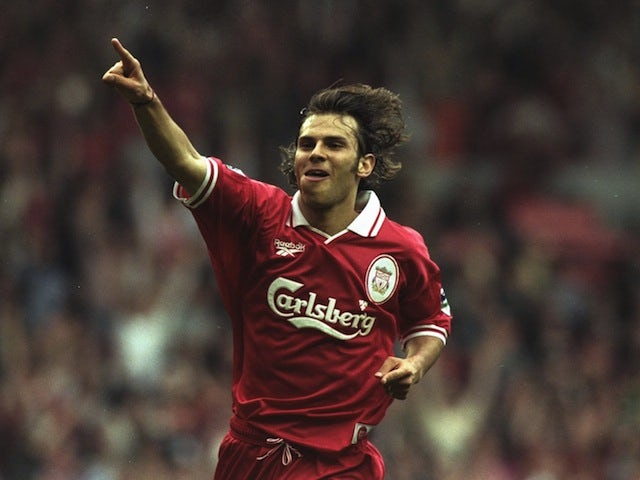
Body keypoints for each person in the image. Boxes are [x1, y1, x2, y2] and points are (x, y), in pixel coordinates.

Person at [102, 37, 452, 480]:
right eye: (307, 144)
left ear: (365, 165)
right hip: (253, 456)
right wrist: (146, 102)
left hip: (342, 465)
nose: (316, 153)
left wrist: (415, 365)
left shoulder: (401, 249)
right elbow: (187, 163)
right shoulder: (259, 214)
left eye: (333, 144)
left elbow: (430, 321)